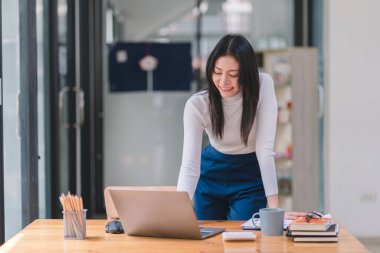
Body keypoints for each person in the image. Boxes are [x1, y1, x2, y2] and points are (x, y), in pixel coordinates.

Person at [177, 34, 305, 220]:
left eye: (233, 74)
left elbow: (264, 150)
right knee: (208, 239)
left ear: (247, 73)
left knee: (246, 237)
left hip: (249, 175)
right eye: (217, 72)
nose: (223, 81)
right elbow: (189, 167)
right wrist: (178, 213)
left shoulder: (263, 85)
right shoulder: (197, 105)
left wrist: (275, 210)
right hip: (211, 173)